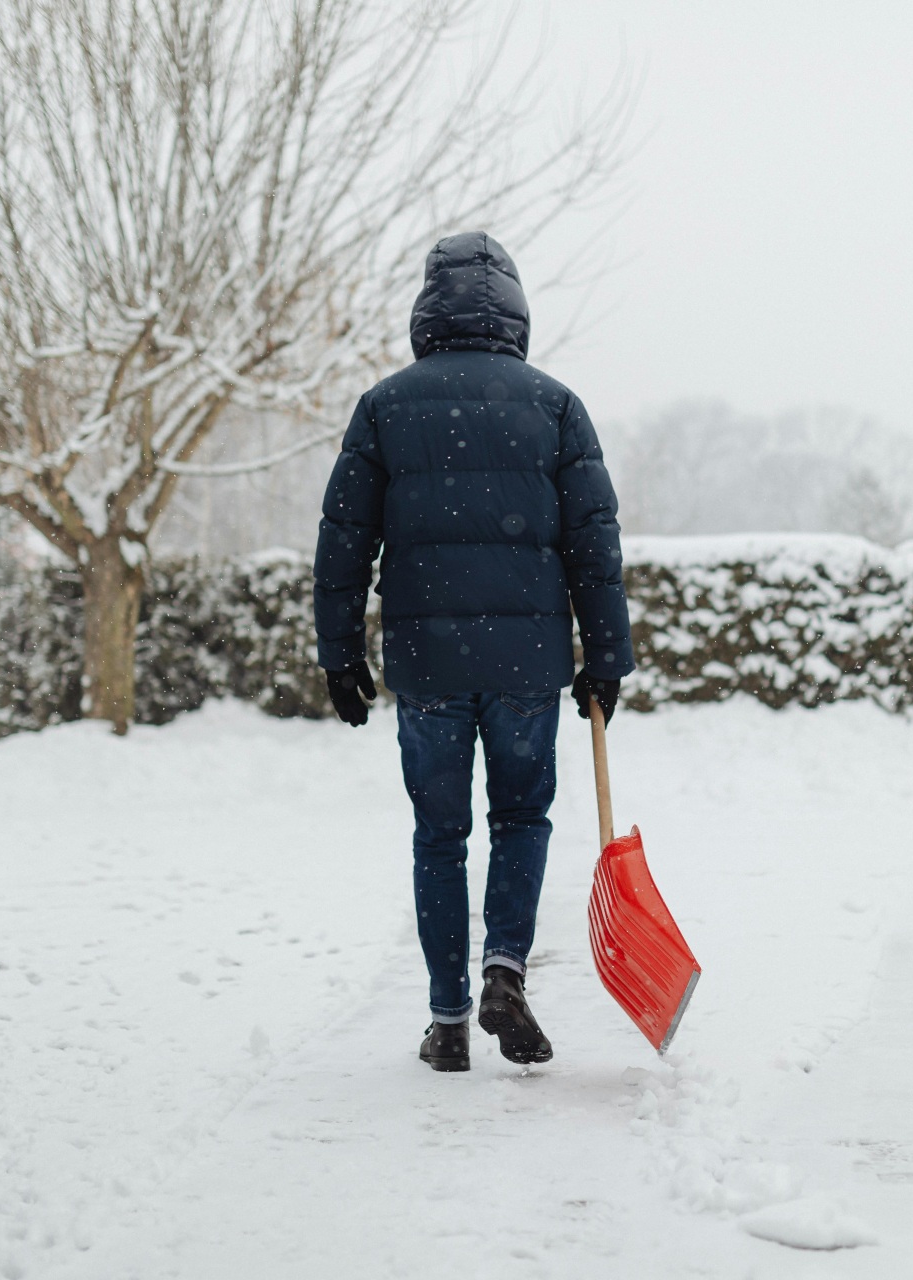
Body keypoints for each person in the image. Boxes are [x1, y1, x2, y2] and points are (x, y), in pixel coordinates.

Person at [313, 231, 634, 1073]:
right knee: (521, 817)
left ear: (427, 308)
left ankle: (449, 1020)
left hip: (430, 665)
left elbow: (343, 543)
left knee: (439, 835)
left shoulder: (384, 407)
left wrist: (339, 654)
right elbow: (594, 546)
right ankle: (504, 970)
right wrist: (606, 657)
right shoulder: (556, 406)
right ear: (517, 310)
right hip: (526, 663)